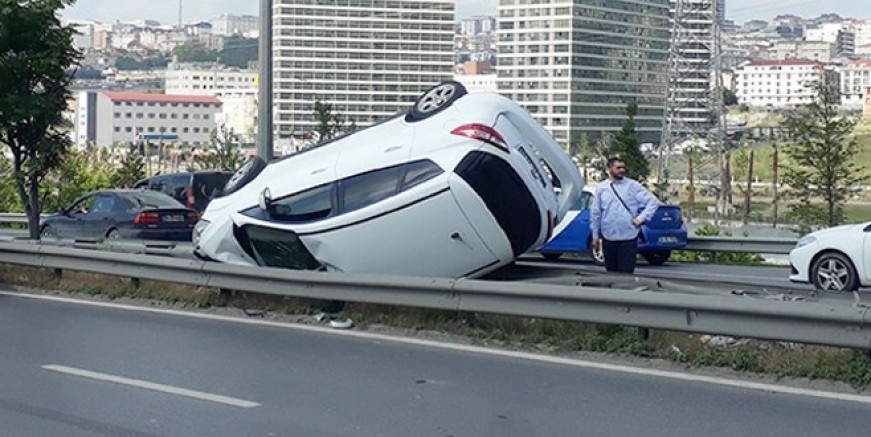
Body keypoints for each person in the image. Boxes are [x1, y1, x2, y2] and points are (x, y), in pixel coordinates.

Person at [590, 157, 660, 274]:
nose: (622, 170)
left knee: (626, 272)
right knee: (611, 271)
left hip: (628, 235)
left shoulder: (632, 186)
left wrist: (641, 218)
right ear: (609, 169)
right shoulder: (602, 188)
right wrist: (595, 236)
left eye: (623, 167)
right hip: (609, 235)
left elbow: (653, 202)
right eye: (618, 168)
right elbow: (596, 213)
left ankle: (625, 292)